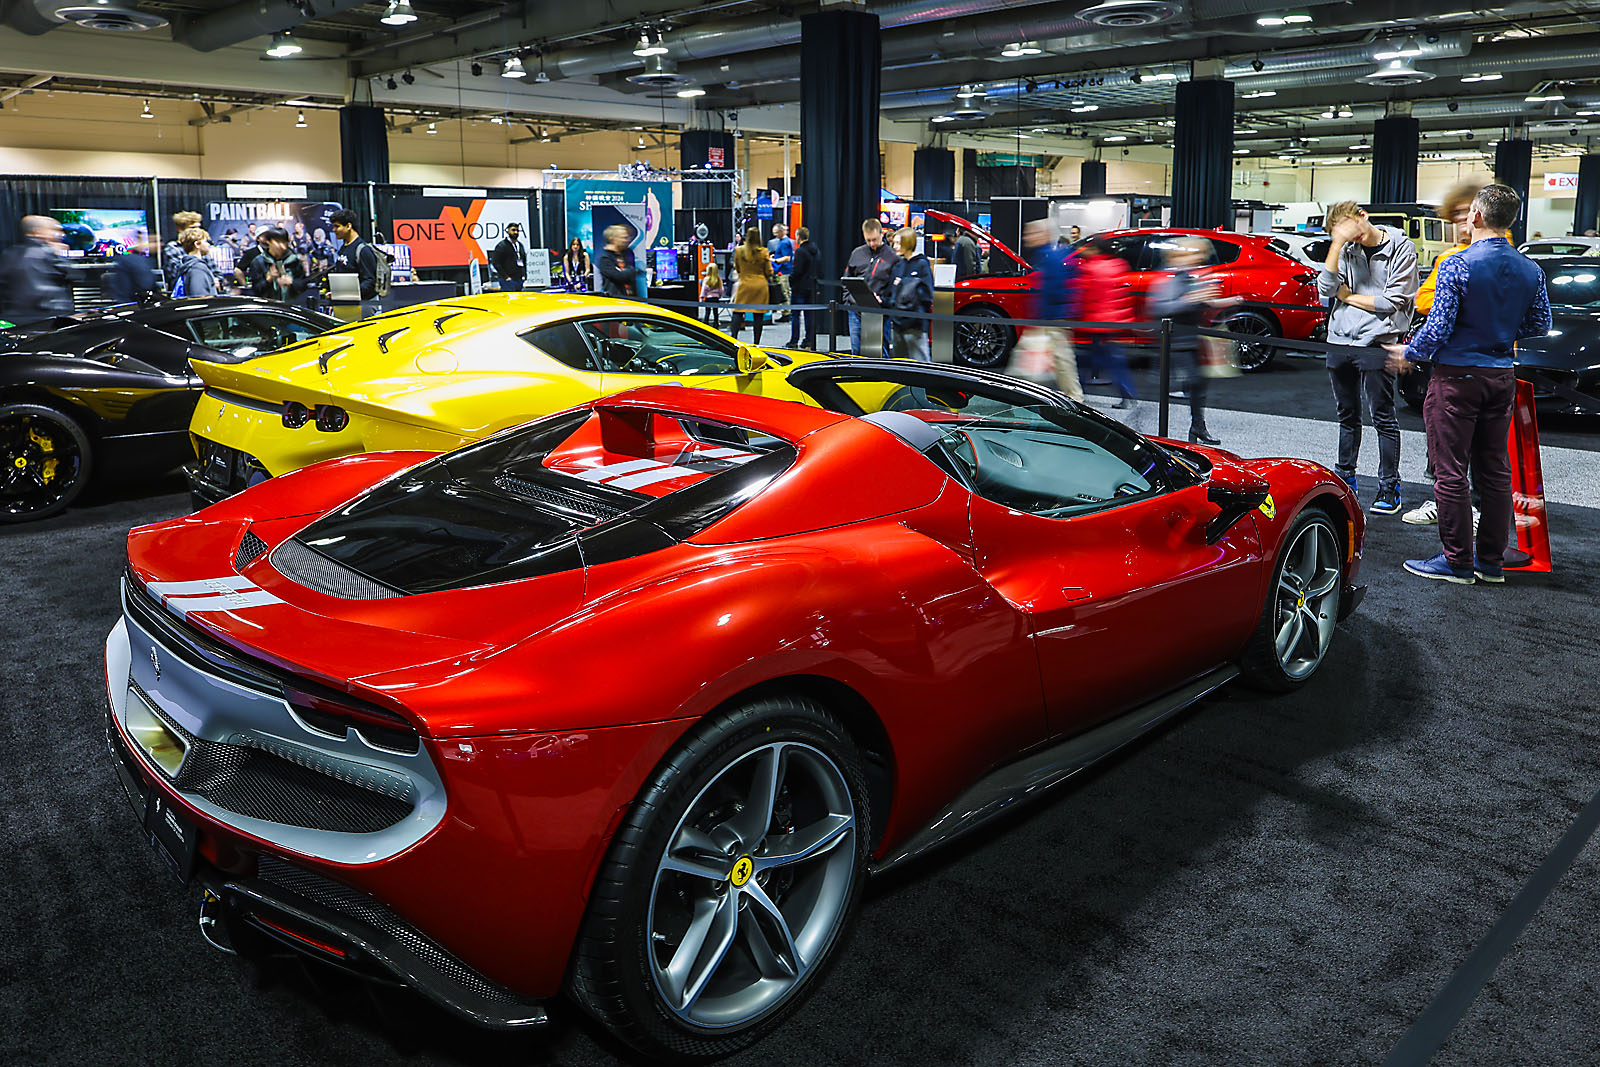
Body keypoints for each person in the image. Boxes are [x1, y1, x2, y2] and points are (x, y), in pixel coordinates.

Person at [1385, 184, 1551, 584]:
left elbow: (1438, 326)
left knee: (1450, 472)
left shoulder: (1458, 265)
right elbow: (1540, 324)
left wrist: (1409, 353)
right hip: (1501, 376)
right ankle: (1490, 563)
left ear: (1476, 215)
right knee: (1495, 470)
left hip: (1457, 378)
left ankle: (1456, 561)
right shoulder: (1532, 269)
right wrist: (1501, 331)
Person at [1317, 200, 1419, 516]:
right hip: (1340, 342)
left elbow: (1392, 301)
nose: (1351, 238)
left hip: (1378, 342)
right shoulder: (1345, 248)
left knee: (1383, 417)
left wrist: (1347, 297)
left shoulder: (1402, 248)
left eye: (1350, 229)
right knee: (1347, 415)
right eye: (1342, 235)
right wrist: (1336, 244)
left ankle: (1390, 488)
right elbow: (1325, 290)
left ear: (1364, 216)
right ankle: (1345, 480)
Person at [1405, 180, 1483, 528]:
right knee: (1442, 442)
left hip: (1464, 365)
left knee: (1479, 446)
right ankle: (1447, 501)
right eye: (1457, 214)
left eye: (1468, 211)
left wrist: (1412, 350)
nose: (1463, 219)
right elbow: (1422, 299)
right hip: (1455, 364)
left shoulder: (1486, 257)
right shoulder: (1450, 257)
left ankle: (1471, 512)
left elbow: (1433, 315)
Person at [1150, 237, 1236, 444]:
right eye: (1194, 254)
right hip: (1176, 343)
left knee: (1198, 384)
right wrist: (1192, 299)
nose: (1198, 258)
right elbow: (1161, 308)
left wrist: (1220, 301)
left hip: (1189, 340)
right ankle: (1179, 434)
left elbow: (1192, 304)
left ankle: (1197, 427)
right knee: (1189, 385)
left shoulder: (1186, 277)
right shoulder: (1170, 279)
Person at [1012, 219, 1081, 398]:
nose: (1026, 237)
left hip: (1050, 322)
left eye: (1031, 233)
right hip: (1047, 322)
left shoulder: (1050, 258)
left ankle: (1074, 401)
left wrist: (1039, 320)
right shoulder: (1047, 257)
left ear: (1044, 235)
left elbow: (1056, 292)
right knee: (1059, 365)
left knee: (1060, 366)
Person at [1072, 241, 1136, 408]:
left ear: (1096, 249)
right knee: (1115, 362)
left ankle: (1076, 396)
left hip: (1095, 323)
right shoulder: (1119, 265)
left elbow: (1083, 296)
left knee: (1084, 362)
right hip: (1114, 323)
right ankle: (1128, 393)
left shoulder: (1091, 268)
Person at [0, 215, 71, 327]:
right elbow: (76, 275)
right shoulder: (48, 254)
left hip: (14, 321)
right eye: (55, 230)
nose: (62, 234)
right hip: (46, 321)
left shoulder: (9, 253)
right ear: (37, 232)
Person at [845, 218, 899, 356]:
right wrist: (848, 301)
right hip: (855, 310)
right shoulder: (857, 253)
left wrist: (884, 300)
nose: (872, 244)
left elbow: (895, 286)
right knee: (856, 352)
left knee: (880, 353)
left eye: (874, 239)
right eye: (868, 240)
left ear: (882, 234)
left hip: (880, 313)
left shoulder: (892, 257)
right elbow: (847, 279)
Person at [888, 227, 934, 361]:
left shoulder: (921, 265)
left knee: (921, 364)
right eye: (894, 243)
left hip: (915, 324)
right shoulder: (898, 266)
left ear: (908, 243)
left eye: (898, 243)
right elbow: (891, 292)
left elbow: (927, 295)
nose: (895, 247)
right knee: (899, 363)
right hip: (898, 323)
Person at [330, 208, 381, 317]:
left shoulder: (363, 250)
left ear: (348, 226)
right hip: (346, 305)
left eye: (337, 226)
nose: (334, 230)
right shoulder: (343, 248)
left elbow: (370, 281)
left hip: (363, 305)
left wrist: (348, 294)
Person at [731, 226, 773, 344]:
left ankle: (733, 338)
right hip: (760, 286)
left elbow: (737, 268)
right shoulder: (764, 251)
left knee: (738, 311)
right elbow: (769, 272)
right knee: (758, 315)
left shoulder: (739, 251)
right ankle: (756, 342)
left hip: (745, 284)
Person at [247, 228, 309, 302]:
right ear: (268, 242)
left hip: (290, 308)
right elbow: (256, 290)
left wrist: (292, 282)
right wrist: (268, 280)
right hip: (268, 308)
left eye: (284, 242)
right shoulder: (259, 262)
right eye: (278, 242)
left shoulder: (294, 260)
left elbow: (303, 286)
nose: (282, 246)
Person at [788, 227, 819, 349]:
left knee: (795, 315)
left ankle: (794, 340)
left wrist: (791, 280)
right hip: (811, 286)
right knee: (809, 315)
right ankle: (809, 340)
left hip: (799, 287)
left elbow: (798, 271)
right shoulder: (816, 250)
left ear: (798, 237)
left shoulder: (800, 251)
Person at [102, 237, 157, 304]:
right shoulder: (134, 261)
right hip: (136, 304)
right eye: (154, 241)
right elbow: (146, 285)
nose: (160, 244)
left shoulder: (143, 261)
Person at [172, 226, 221, 297]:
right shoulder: (197, 268)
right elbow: (199, 297)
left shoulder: (186, 265)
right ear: (197, 244)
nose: (208, 244)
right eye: (206, 241)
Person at [597, 224, 639, 298]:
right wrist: (632, 271)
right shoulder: (605, 258)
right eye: (623, 237)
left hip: (632, 299)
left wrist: (625, 271)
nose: (627, 240)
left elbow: (627, 274)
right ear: (612, 239)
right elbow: (619, 276)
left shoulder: (627, 254)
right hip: (616, 301)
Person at [162, 210, 202, 283]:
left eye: (199, 227)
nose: (198, 231)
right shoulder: (172, 248)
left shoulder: (202, 246)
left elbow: (216, 271)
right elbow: (176, 273)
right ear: (180, 229)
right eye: (193, 228)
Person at [767, 222, 794, 322]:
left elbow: (787, 258)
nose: (775, 235)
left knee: (784, 291)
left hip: (784, 270)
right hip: (781, 270)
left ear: (781, 231)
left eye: (776, 232)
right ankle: (785, 312)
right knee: (783, 290)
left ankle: (786, 313)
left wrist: (775, 260)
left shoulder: (784, 243)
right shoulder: (783, 242)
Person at [491, 222, 528, 292]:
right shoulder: (502, 246)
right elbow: (496, 262)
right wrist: (506, 277)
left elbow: (524, 261)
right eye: (513, 230)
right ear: (508, 231)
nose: (516, 232)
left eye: (517, 230)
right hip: (507, 280)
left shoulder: (520, 245)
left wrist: (524, 275)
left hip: (519, 279)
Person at [699, 260, 726, 328]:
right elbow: (721, 289)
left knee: (707, 311)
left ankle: (706, 322)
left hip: (708, 298)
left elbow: (704, 289)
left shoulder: (706, 279)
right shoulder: (718, 279)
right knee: (715, 312)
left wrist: (702, 297)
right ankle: (716, 323)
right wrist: (720, 296)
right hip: (715, 298)